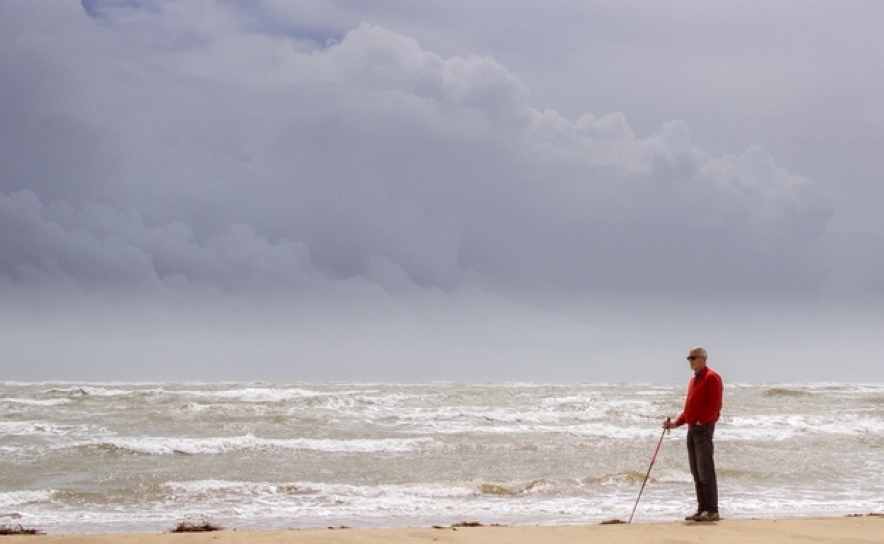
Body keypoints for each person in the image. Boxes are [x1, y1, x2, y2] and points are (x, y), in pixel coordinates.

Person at [663, 346, 723, 522]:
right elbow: (689, 409)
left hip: (703, 428)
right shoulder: (693, 380)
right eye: (689, 358)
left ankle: (712, 510)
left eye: (693, 358)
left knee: (705, 471)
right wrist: (675, 423)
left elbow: (715, 405)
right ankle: (702, 509)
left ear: (703, 359)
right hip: (693, 429)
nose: (690, 361)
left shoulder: (712, 377)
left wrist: (701, 421)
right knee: (696, 472)